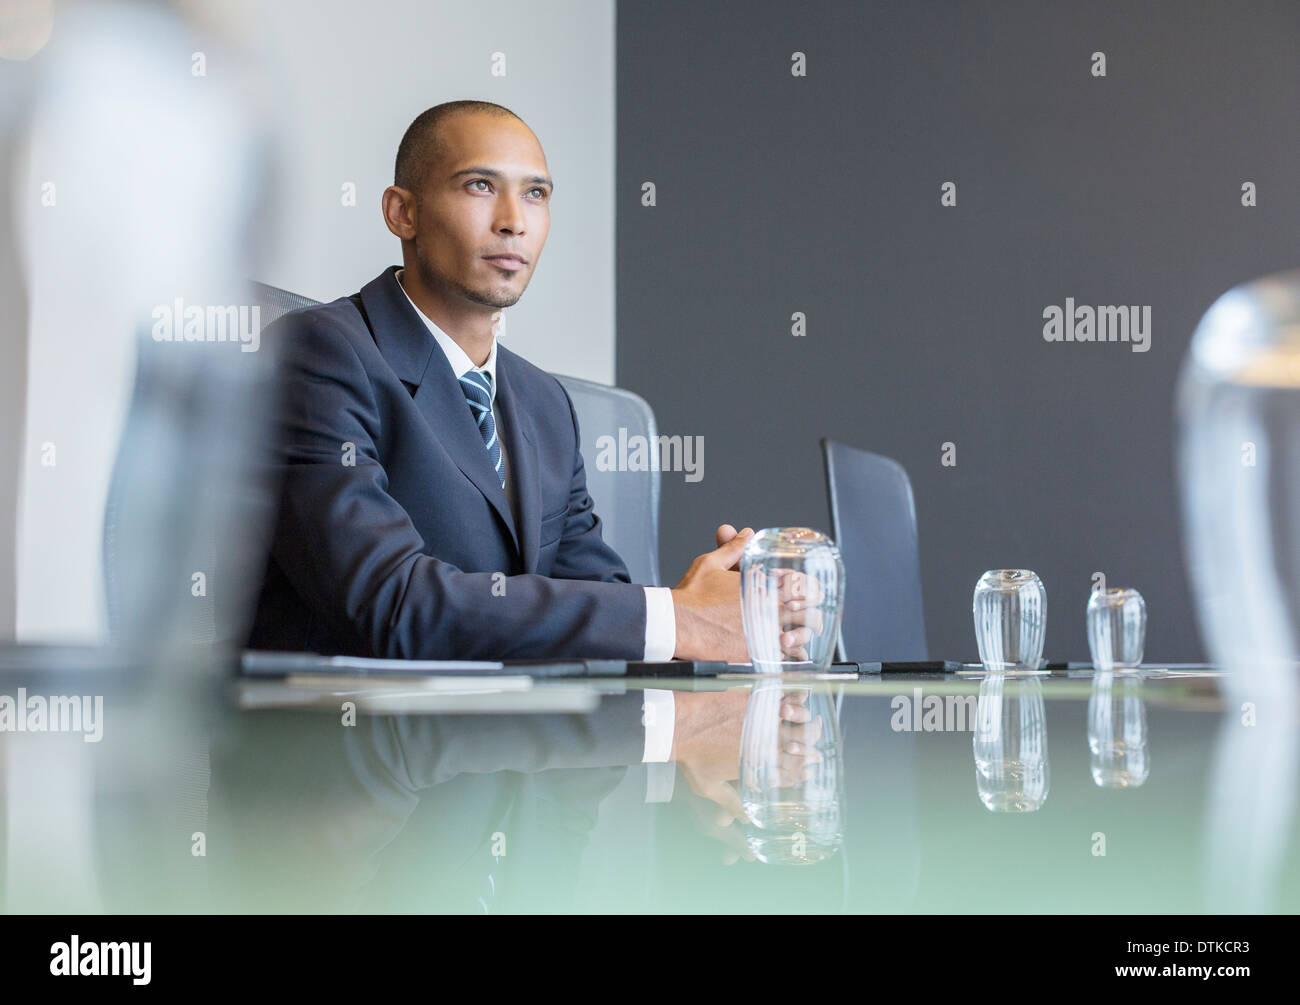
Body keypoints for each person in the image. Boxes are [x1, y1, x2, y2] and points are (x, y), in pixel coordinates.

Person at [248, 100, 814, 662]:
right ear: (402, 213)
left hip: (514, 743)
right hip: (341, 740)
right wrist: (674, 618)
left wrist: (716, 611)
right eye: (479, 186)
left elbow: (598, 603)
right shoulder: (319, 354)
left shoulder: (543, 401)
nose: (513, 220)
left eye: (535, 194)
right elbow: (391, 605)